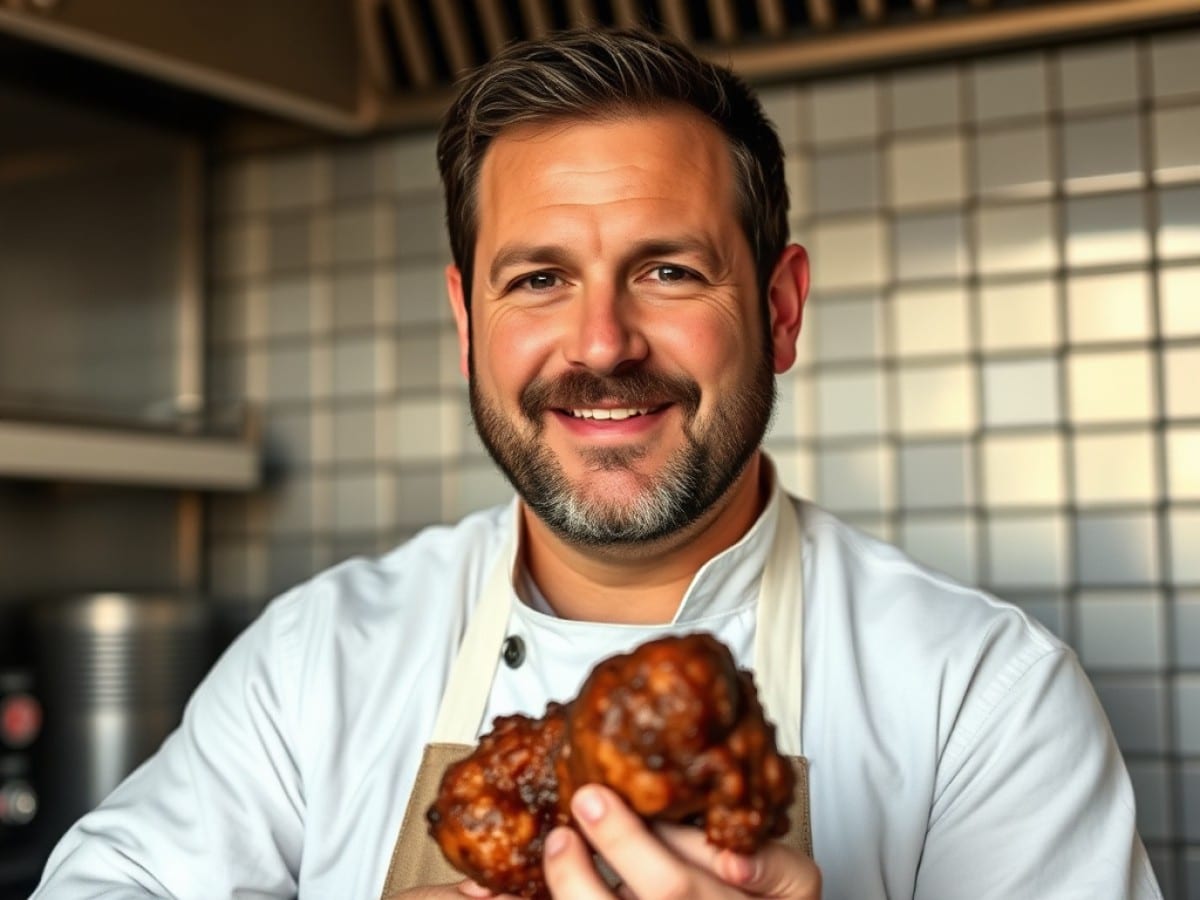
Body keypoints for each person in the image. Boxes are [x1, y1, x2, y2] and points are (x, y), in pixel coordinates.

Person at [32, 27, 1160, 900]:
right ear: (467, 326)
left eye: (667, 270)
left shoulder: (982, 698)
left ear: (779, 310)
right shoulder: (318, 663)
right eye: (537, 280)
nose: (604, 343)